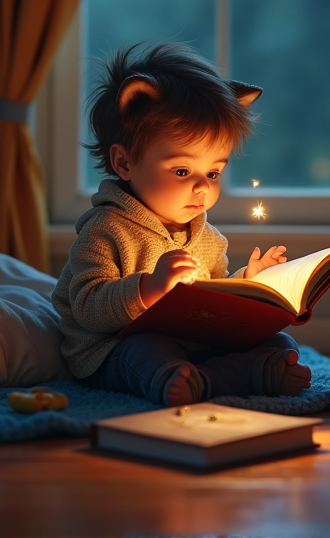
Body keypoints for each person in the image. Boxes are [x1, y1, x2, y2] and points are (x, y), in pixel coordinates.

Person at [53, 42, 312, 407]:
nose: (202, 186)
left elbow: (215, 303)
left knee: (281, 344)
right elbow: (87, 307)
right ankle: (215, 379)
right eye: (181, 170)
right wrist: (149, 288)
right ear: (124, 163)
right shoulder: (105, 230)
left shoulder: (208, 239)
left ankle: (214, 376)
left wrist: (249, 284)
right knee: (145, 352)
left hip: (193, 346)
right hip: (112, 348)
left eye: (213, 171)